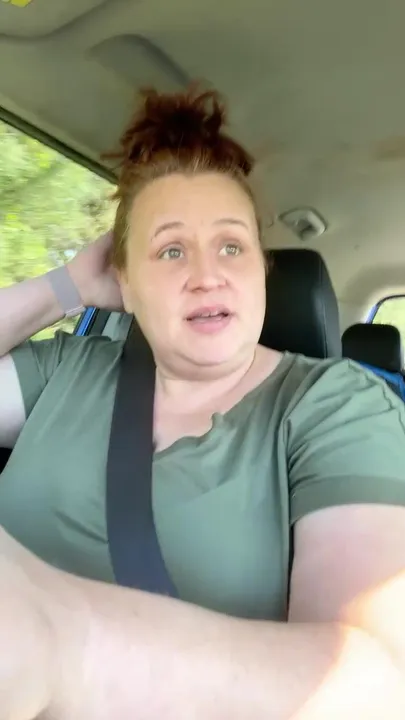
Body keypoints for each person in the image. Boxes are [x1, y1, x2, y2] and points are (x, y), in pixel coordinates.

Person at [1, 85, 405, 718]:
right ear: (123, 281)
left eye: (231, 246)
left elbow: (375, 682)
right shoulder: (66, 371)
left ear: (260, 268)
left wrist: (60, 645)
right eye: (170, 250)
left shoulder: (337, 407)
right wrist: (66, 285)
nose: (207, 274)